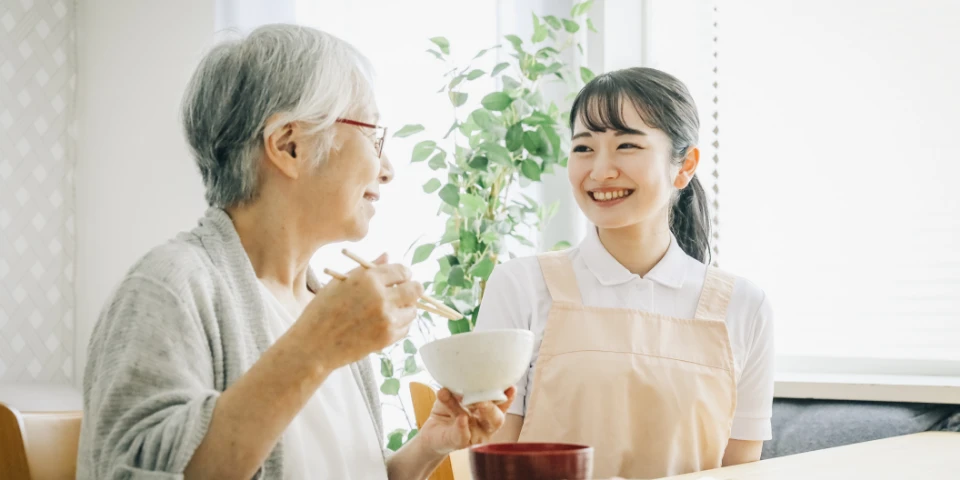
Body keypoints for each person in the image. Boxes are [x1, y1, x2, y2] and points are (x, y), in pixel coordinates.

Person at [77, 24, 514, 480]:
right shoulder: (171, 286)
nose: (387, 170)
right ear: (290, 145)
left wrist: (426, 448)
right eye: (374, 136)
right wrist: (318, 346)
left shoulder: (320, 303)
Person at [475, 67, 774, 479]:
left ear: (685, 165)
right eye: (583, 148)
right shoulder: (521, 287)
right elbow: (496, 463)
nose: (600, 171)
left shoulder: (744, 306)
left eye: (627, 145)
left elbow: (740, 469)